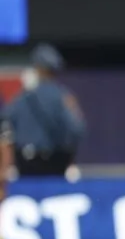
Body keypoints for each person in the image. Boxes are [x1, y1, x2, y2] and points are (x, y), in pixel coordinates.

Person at [1, 44, 86, 177]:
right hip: (55, 163)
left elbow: (5, 124)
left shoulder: (22, 97)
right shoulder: (62, 97)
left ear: (37, 68)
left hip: (25, 162)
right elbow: (77, 130)